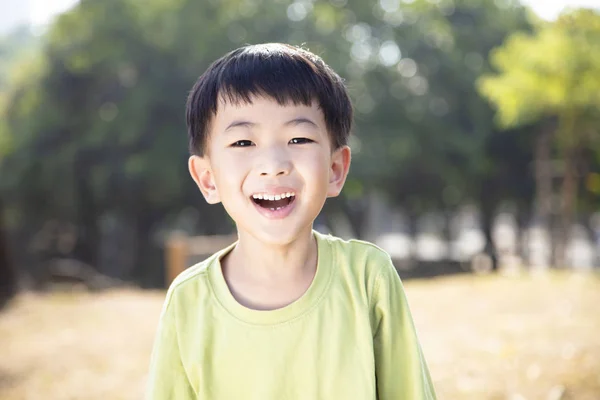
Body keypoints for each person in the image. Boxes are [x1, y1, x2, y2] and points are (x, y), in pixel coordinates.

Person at [146, 43, 436, 399]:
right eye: (242, 142)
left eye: (298, 138)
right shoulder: (188, 301)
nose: (273, 163)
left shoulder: (366, 278)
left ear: (335, 169)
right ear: (207, 178)